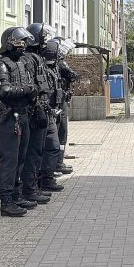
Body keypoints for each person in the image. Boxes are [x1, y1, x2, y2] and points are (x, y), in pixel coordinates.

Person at [0, 27, 38, 217]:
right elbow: (5, 91)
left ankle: (16, 195)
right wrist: (28, 89)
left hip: (24, 114)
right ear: (9, 43)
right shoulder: (0, 64)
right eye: (19, 43)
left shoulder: (22, 63)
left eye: (24, 43)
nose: (22, 47)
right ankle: (6, 200)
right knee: (10, 160)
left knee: (21, 158)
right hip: (10, 117)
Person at [21, 23, 60, 206]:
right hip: (34, 111)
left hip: (43, 109)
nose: (46, 41)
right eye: (44, 38)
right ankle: (29, 188)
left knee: (39, 150)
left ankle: (34, 186)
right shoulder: (29, 59)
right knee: (32, 152)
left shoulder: (37, 58)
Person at [54, 39, 78, 174]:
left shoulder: (57, 62)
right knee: (60, 132)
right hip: (59, 101)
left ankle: (59, 162)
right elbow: (72, 74)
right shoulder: (60, 63)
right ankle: (57, 163)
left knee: (61, 133)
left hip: (62, 99)